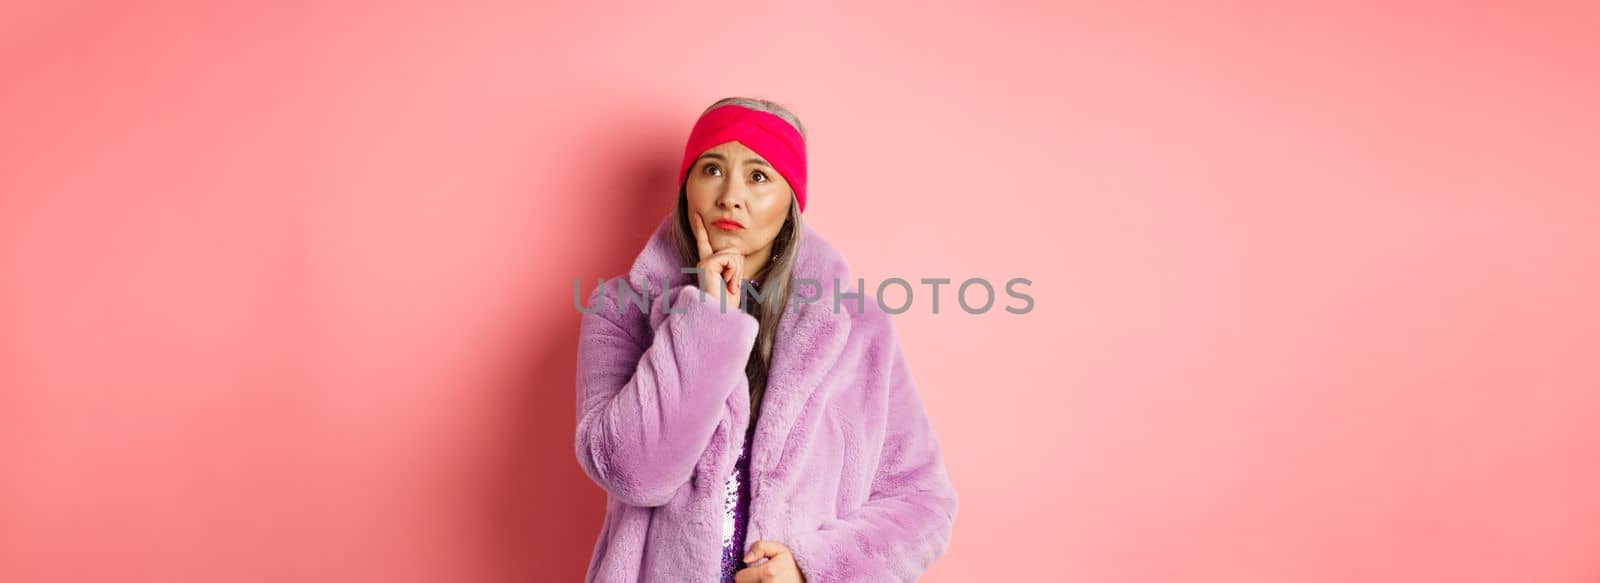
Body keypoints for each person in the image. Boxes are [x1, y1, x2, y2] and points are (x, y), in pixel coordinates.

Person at [574, 97, 958, 582]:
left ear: (790, 200)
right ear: (687, 187)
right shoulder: (620, 310)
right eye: (711, 169)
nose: (730, 195)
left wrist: (810, 568)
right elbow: (633, 471)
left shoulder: (856, 327)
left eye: (758, 176)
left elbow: (923, 502)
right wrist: (706, 318)